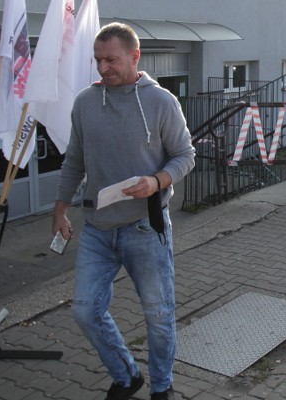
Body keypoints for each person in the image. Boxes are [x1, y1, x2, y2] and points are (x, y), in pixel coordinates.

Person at [52, 22, 195, 400]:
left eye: (110, 60)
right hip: (97, 228)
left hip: (144, 227)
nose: (102, 68)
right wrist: (60, 208)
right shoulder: (85, 102)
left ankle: (161, 387)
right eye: (97, 60)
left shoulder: (161, 101)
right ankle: (127, 375)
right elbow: (74, 161)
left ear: (134, 57)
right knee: (85, 311)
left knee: (159, 316)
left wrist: (157, 181)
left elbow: (185, 155)